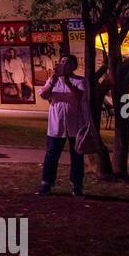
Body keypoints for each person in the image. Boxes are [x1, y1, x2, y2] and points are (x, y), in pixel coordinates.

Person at [37, 54, 89, 196]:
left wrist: (68, 82)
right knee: (52, 154)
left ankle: (77, 185)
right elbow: (43, 95)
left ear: (74, 66)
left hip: (75, 125)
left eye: (68, 62)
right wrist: (52, 83)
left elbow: (81, 96)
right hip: (57, 125)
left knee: (77, 156)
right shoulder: (53, 80)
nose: (64, 64)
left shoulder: (80, 81)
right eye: (62, 62)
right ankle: (46, 183)